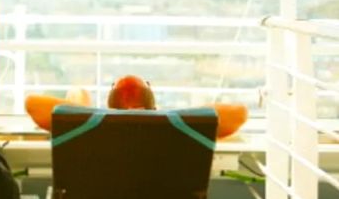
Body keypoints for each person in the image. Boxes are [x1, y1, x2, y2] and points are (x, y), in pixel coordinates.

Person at [25, 74, 248, 139]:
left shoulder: (86, 127)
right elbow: (238, 114)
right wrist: (169, 116)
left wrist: (81, 108)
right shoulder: (177, 127)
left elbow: (33, 104)